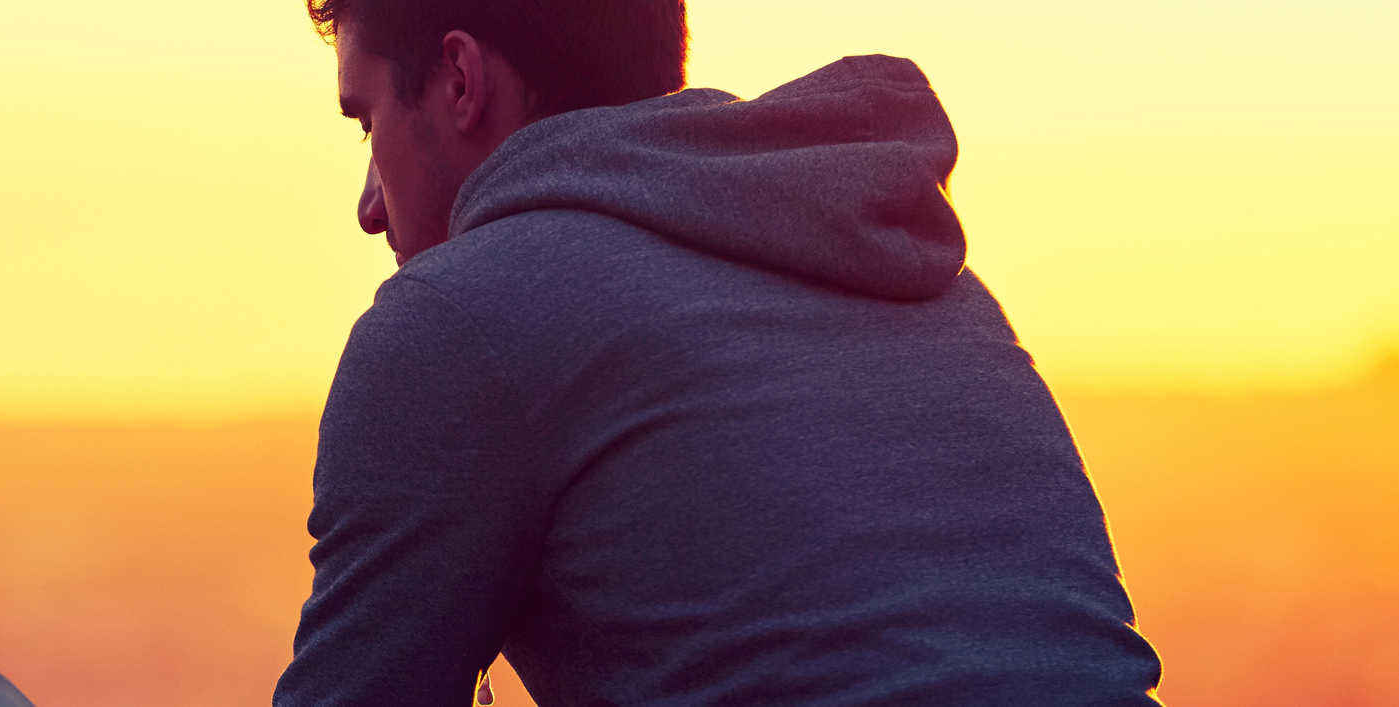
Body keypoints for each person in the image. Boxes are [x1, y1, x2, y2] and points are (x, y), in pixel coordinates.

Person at [273, 1, 1166, 706]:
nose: (369, 206)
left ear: (461, 81)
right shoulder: (923, 281)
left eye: (365, 122)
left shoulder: (455, 320)